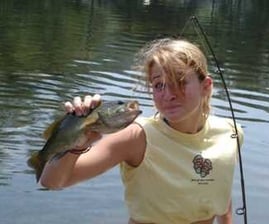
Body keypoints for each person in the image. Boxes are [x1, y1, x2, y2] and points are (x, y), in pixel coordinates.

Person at [40, 38, 244, 224]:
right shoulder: (136, 136)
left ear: (206, 86)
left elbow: (220, 188)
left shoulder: (231, 132)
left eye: (180, 81)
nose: (168, 94)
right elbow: (53, 182)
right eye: (159, 85)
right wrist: (77, 141)